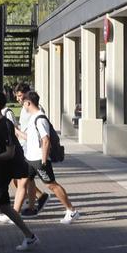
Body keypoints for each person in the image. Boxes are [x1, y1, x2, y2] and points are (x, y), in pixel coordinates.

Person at [0, 89, 38, 252]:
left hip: (2, 174)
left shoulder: (5, 124)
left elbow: (10, 152)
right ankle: (30, 236)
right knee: (4, 207)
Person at [16, 91, 80, 224]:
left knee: (51, 185)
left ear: (28, 103)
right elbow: (31, 139)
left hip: (39, 160)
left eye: (24, 103)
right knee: (22, 182)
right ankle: (14, 214)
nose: (23, 106)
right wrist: (16, 132)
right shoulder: (33, 118)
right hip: (30, 158)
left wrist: (44, 161)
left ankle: (71, 210)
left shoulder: (40, 118)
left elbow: (46, 140)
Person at [11, 83, 46, 217]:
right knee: (25, 179)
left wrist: (18, 132)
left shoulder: (34, 109)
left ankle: (16, 211)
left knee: (23, 180)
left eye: (20, 96)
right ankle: (34, 202)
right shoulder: (24, 109)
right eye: (17, 96)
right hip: (25, 148)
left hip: (30, 149)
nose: (18, 99)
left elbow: (37, 133)